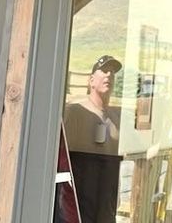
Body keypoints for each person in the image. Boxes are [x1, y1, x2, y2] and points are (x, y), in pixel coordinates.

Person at [63, 55, 124, 223]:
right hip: (79, 195)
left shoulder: (117, 119)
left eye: (112, 72)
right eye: (104, 70)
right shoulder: (75, 112)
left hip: (107, 200)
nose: (109, 75)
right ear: (91, 80)